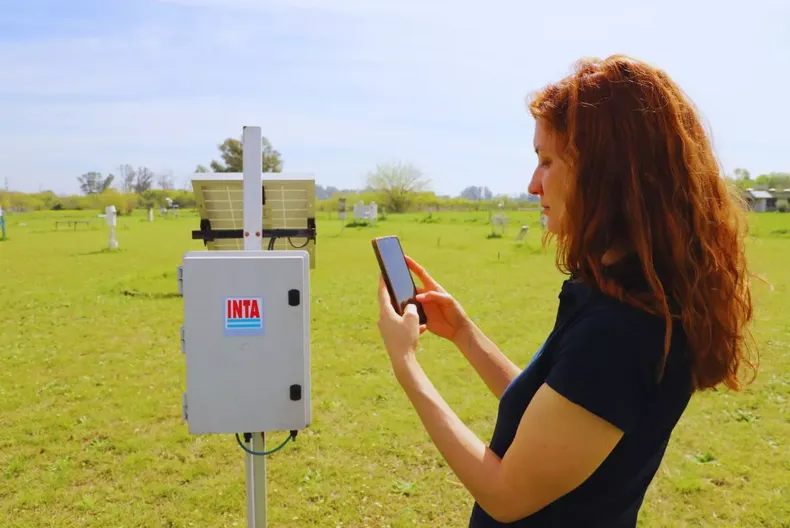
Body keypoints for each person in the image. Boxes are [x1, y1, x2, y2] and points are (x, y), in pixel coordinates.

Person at [376, 54, 757, 527]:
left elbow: (505, 494)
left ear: (606, 174)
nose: (534, 183)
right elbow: (558, 410)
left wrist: (406, 365)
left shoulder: (620, 330)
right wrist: (465, 336)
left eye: (548, 161)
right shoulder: (624, 295)